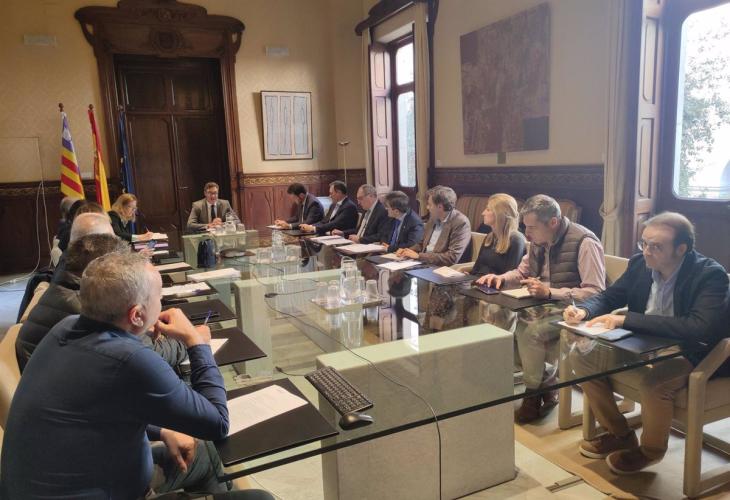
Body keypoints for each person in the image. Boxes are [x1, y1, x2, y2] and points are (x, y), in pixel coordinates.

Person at [1, 252, 232, 498]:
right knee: (212, 460)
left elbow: (99, 409)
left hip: (41, 485)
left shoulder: (65, 327)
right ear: (137, 315)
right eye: (159, 296)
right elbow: (217, 423)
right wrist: (196, 342)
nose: (163, 303)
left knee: (197, 452)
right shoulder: (131, 360)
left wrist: (162, 431)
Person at [563, 212, 729, 475]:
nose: (647, 251)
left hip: (694, 350)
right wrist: (584, 310)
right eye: (644, 243)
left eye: (656, 246)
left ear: (681, 249)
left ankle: (650, 451)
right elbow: (610, 296)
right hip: (643, 342)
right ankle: (620, 433)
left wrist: (626, 320)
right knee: (583, 357)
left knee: (655, 384)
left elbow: (698, 328)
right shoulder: (640, 263)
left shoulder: (710, 275)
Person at [483, 194, 606, 423]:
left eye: (532, 227)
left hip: (574, 311)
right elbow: (522, 272)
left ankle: (532, 394)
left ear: (553, 222)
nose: (527, 234)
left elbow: (596, 291)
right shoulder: (538, 241)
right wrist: (501, 278)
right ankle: (547, 382)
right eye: (525, 227)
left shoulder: (585, 242)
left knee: (529, 332)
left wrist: (550, 292)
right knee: (498, 320)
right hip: (542, 304)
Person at [16, 234, 189, 373]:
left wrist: (144, 322)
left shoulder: (64, 288)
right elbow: (147, 358)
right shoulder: (88, 307)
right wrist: (190, 340)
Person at [396, 186, 471, 266]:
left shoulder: (461, 223)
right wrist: (407, 251)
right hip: (423, 263)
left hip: (440, 267)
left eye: (429, 204)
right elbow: (422, 244)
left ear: (440, 207)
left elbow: (452, 257)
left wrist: (419, 256)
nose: (427, 207)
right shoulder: (433, 218)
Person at [472, 193, 527, 278]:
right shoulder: (489, 237)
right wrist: (468, 275)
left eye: (488, 210)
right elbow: (477, 267)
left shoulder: (516, 240)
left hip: (496, 284)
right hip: (478, 280)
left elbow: (510, 277)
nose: (483, 213)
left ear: (499, 214)